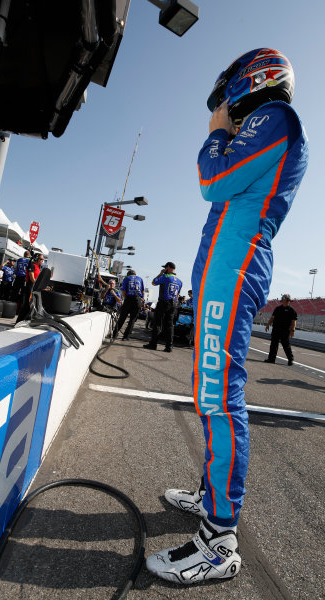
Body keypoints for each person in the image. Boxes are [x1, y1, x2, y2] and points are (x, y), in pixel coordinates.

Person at [146, 48, 308, 585]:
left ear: (253, 79)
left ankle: (219, 539)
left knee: (218, 395)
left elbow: (214, 181)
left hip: (234, 267)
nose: (224, 106)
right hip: (226, 267)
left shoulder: (276, 116)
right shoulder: (265, 125)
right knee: (210, 390)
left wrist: (216, 130)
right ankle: (210, 496)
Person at [143, 262, 182, 352]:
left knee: (157, 323)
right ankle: (169, 346)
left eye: (165, 268)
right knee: (169, 325)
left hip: (163, 302)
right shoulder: (179, 281)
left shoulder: (165, 276)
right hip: (173, 304)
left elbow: (153, 282)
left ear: (167, 268)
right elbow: (178, 295)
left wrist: (160, 273)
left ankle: (153, 344)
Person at [264, 294, 297, 365]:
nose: (282, 299)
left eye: (284, 298)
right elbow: (272, 318)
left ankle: (290, 360)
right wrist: (267, 325)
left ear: (288, 300)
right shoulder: (277, 308)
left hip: (285, 331)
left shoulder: (292, 311)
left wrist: (292, 330)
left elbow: (293, 322)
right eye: (282, 298)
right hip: (276, 329)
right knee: (273, 345)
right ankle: (271, 359)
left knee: (286, 345)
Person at [113, 270, 144, 340]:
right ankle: (126, 336)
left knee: (122, 318)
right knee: (132, 320)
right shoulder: (140, 279)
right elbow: (143, 291)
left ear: (128, 274)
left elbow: (123, 290)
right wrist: (142, 298)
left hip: (129, 299)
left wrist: (125, 298)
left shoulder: (126, 278)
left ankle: (114, 334)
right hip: (138, 300)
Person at [16, 253, 44, 323]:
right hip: (29, 287)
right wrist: (38, 285)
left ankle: (26, 321)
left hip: (34, 288)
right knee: (26, 306)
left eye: (43, 259)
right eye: (41, 259)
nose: (42, 261)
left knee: (31, 306)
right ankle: (19, 321)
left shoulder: (38, 267)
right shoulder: (32, 265)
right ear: (36, 259)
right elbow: (32, 278)